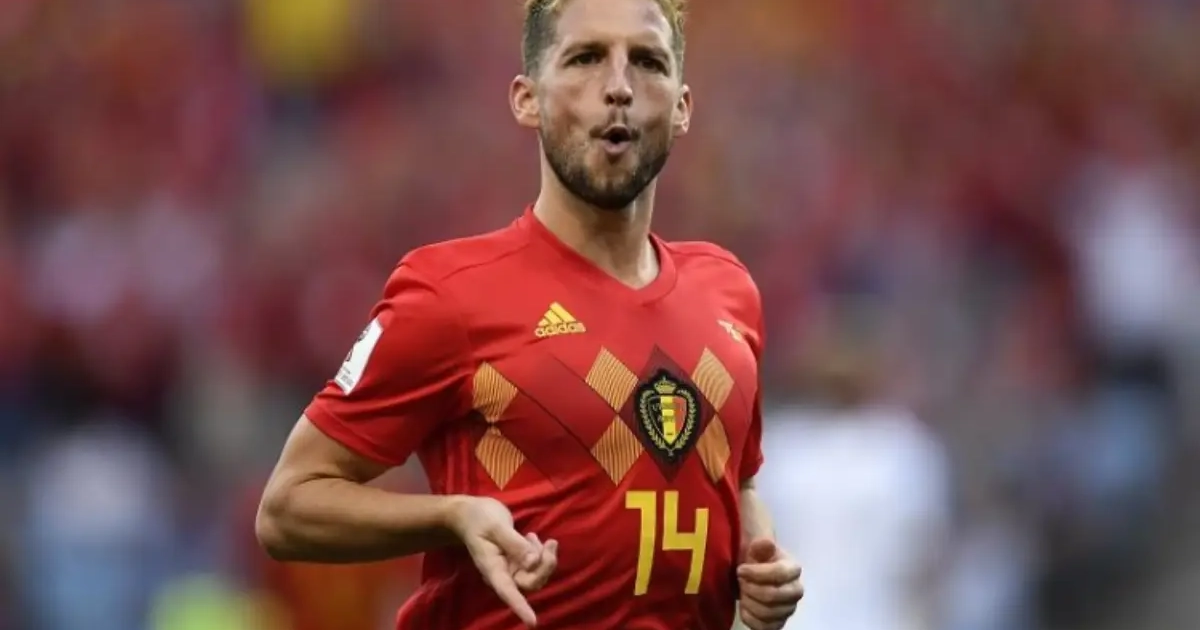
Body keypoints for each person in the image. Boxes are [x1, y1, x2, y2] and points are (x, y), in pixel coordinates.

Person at [255, 1, 803, 628]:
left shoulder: (728, 293)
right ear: (527, 99)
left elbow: (739, 484)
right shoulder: (451, 295)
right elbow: (287, 508)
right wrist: (451, 516)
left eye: (647, 62)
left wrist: (761, 562)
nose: (618, 87)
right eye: (585, 58)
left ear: (681, 108)